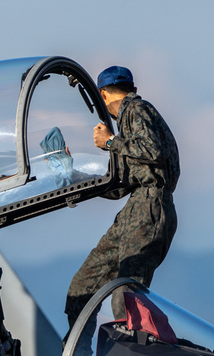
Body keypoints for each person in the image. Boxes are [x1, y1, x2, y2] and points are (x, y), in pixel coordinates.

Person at [64, 65, 180, 330]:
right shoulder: (126, 125)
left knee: (126, 294)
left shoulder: (136, 110)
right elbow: (117, 186)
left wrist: (109, 142)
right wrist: (71, 175)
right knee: (83, 286)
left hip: (151, 207)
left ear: (102, 95)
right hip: (135, 209)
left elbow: (152, 151)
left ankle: (132, 354)